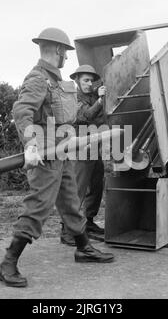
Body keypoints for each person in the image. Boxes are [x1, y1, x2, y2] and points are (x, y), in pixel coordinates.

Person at [0, 28, 114, 288]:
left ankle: (83, 248)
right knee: (39, 205)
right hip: (45, 156)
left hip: (61, 153)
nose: (66, 59)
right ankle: (8, 261)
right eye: (66, 54)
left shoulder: (55, 81)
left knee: (71, 202)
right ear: (60, 51)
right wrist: (30, 145)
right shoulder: (39, 78)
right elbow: (22, 111)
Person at [60, 65, 106, 246]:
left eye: (91, 81)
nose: (88, 84)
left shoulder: (94, 97)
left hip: (94, 147)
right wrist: (101, 100)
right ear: (77, 81)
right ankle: (66, 231)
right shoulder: (75, 97)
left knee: (96, 186)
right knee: (78, 189)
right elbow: (84, 116)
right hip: (80, 147)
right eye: (85, 80)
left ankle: (88, 222)